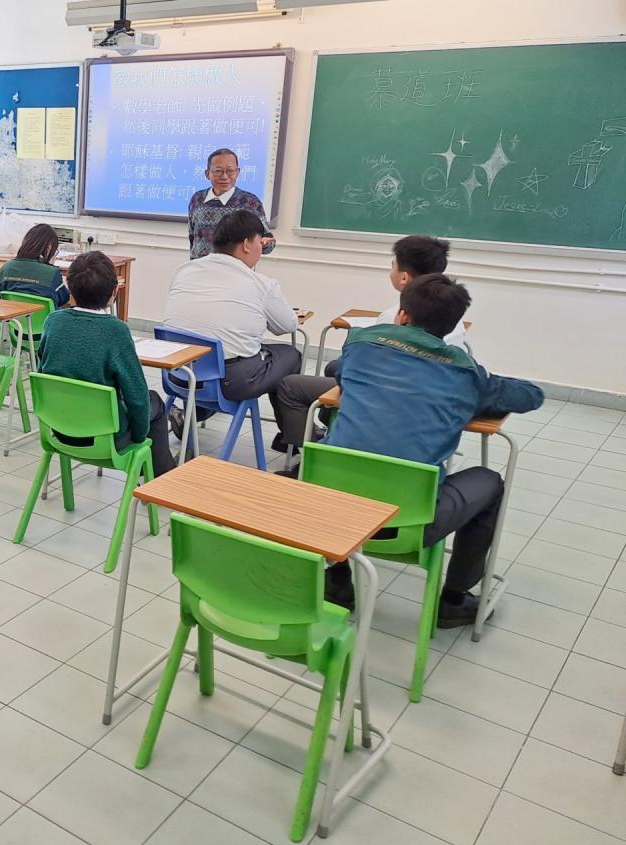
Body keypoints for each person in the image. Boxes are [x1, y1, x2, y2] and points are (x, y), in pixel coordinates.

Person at [316, 274, 544, 625]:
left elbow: (341, 374)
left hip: (332, 508)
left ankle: (337, 579)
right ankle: (454, 599)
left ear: (403, 314)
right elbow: (530, 396)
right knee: (489, 482)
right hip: (411, 522)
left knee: (338, 445)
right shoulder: (466, 374)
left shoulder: (361, 344)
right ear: (452, 327)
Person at [277, 234, 468, 451]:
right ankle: (333, 427)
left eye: (393, 265)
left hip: (385, 395)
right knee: (333, 367)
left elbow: (367, 363)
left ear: (403, 277)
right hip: (429, 394)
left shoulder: (394, 316)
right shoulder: (452, 314)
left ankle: (317, 449)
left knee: (292, 385)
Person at [162, 209, 302, 449]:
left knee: (213, 351)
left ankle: (192, 416)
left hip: (177, 375)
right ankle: (289, 438)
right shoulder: (261, 284)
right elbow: (287, 326)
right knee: (290, 355)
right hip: (228, 383)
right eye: (260, 242)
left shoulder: (184, 270)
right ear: (246, 244)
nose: (261, 249)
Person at [38, 251, 175, 480]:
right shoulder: (116, 331)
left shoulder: (52, 322)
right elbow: (137, 397)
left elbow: (44, 372)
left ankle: (156, 470)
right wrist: (138, 438)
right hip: (106, 438)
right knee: (155, 402)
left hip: (58, 430)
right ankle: (159, 477)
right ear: (114, 291)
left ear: (69, 288)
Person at [187, 148, 275, 259]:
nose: (224, 176)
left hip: (234, 267)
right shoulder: (197, 199)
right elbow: (192, 237)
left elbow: (267, 240)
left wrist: (264, 244)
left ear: (237, 172)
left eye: (230, 171)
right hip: (200, 266)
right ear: (207, 173)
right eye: (218, 171)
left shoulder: (250, 202)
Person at [0, 223, 70, 311]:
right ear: (49, 248)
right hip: (45, 319)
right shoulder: (52, 272)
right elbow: (64, 298)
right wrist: (49, 265)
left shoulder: (6, 268)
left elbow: (1, 295)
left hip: (14, 318)